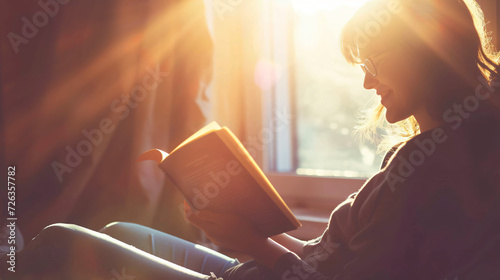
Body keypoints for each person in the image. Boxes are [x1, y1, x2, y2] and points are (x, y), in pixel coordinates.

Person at [3, 0, 500, 279]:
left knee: (58, 244)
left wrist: (252, 246)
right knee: (120, 230)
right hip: (273, 270)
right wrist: (246, 230)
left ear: (422, 53)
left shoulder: (435, 170)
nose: (368, 83)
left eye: (373, 63)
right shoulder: (424, 153)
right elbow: (332, 258)